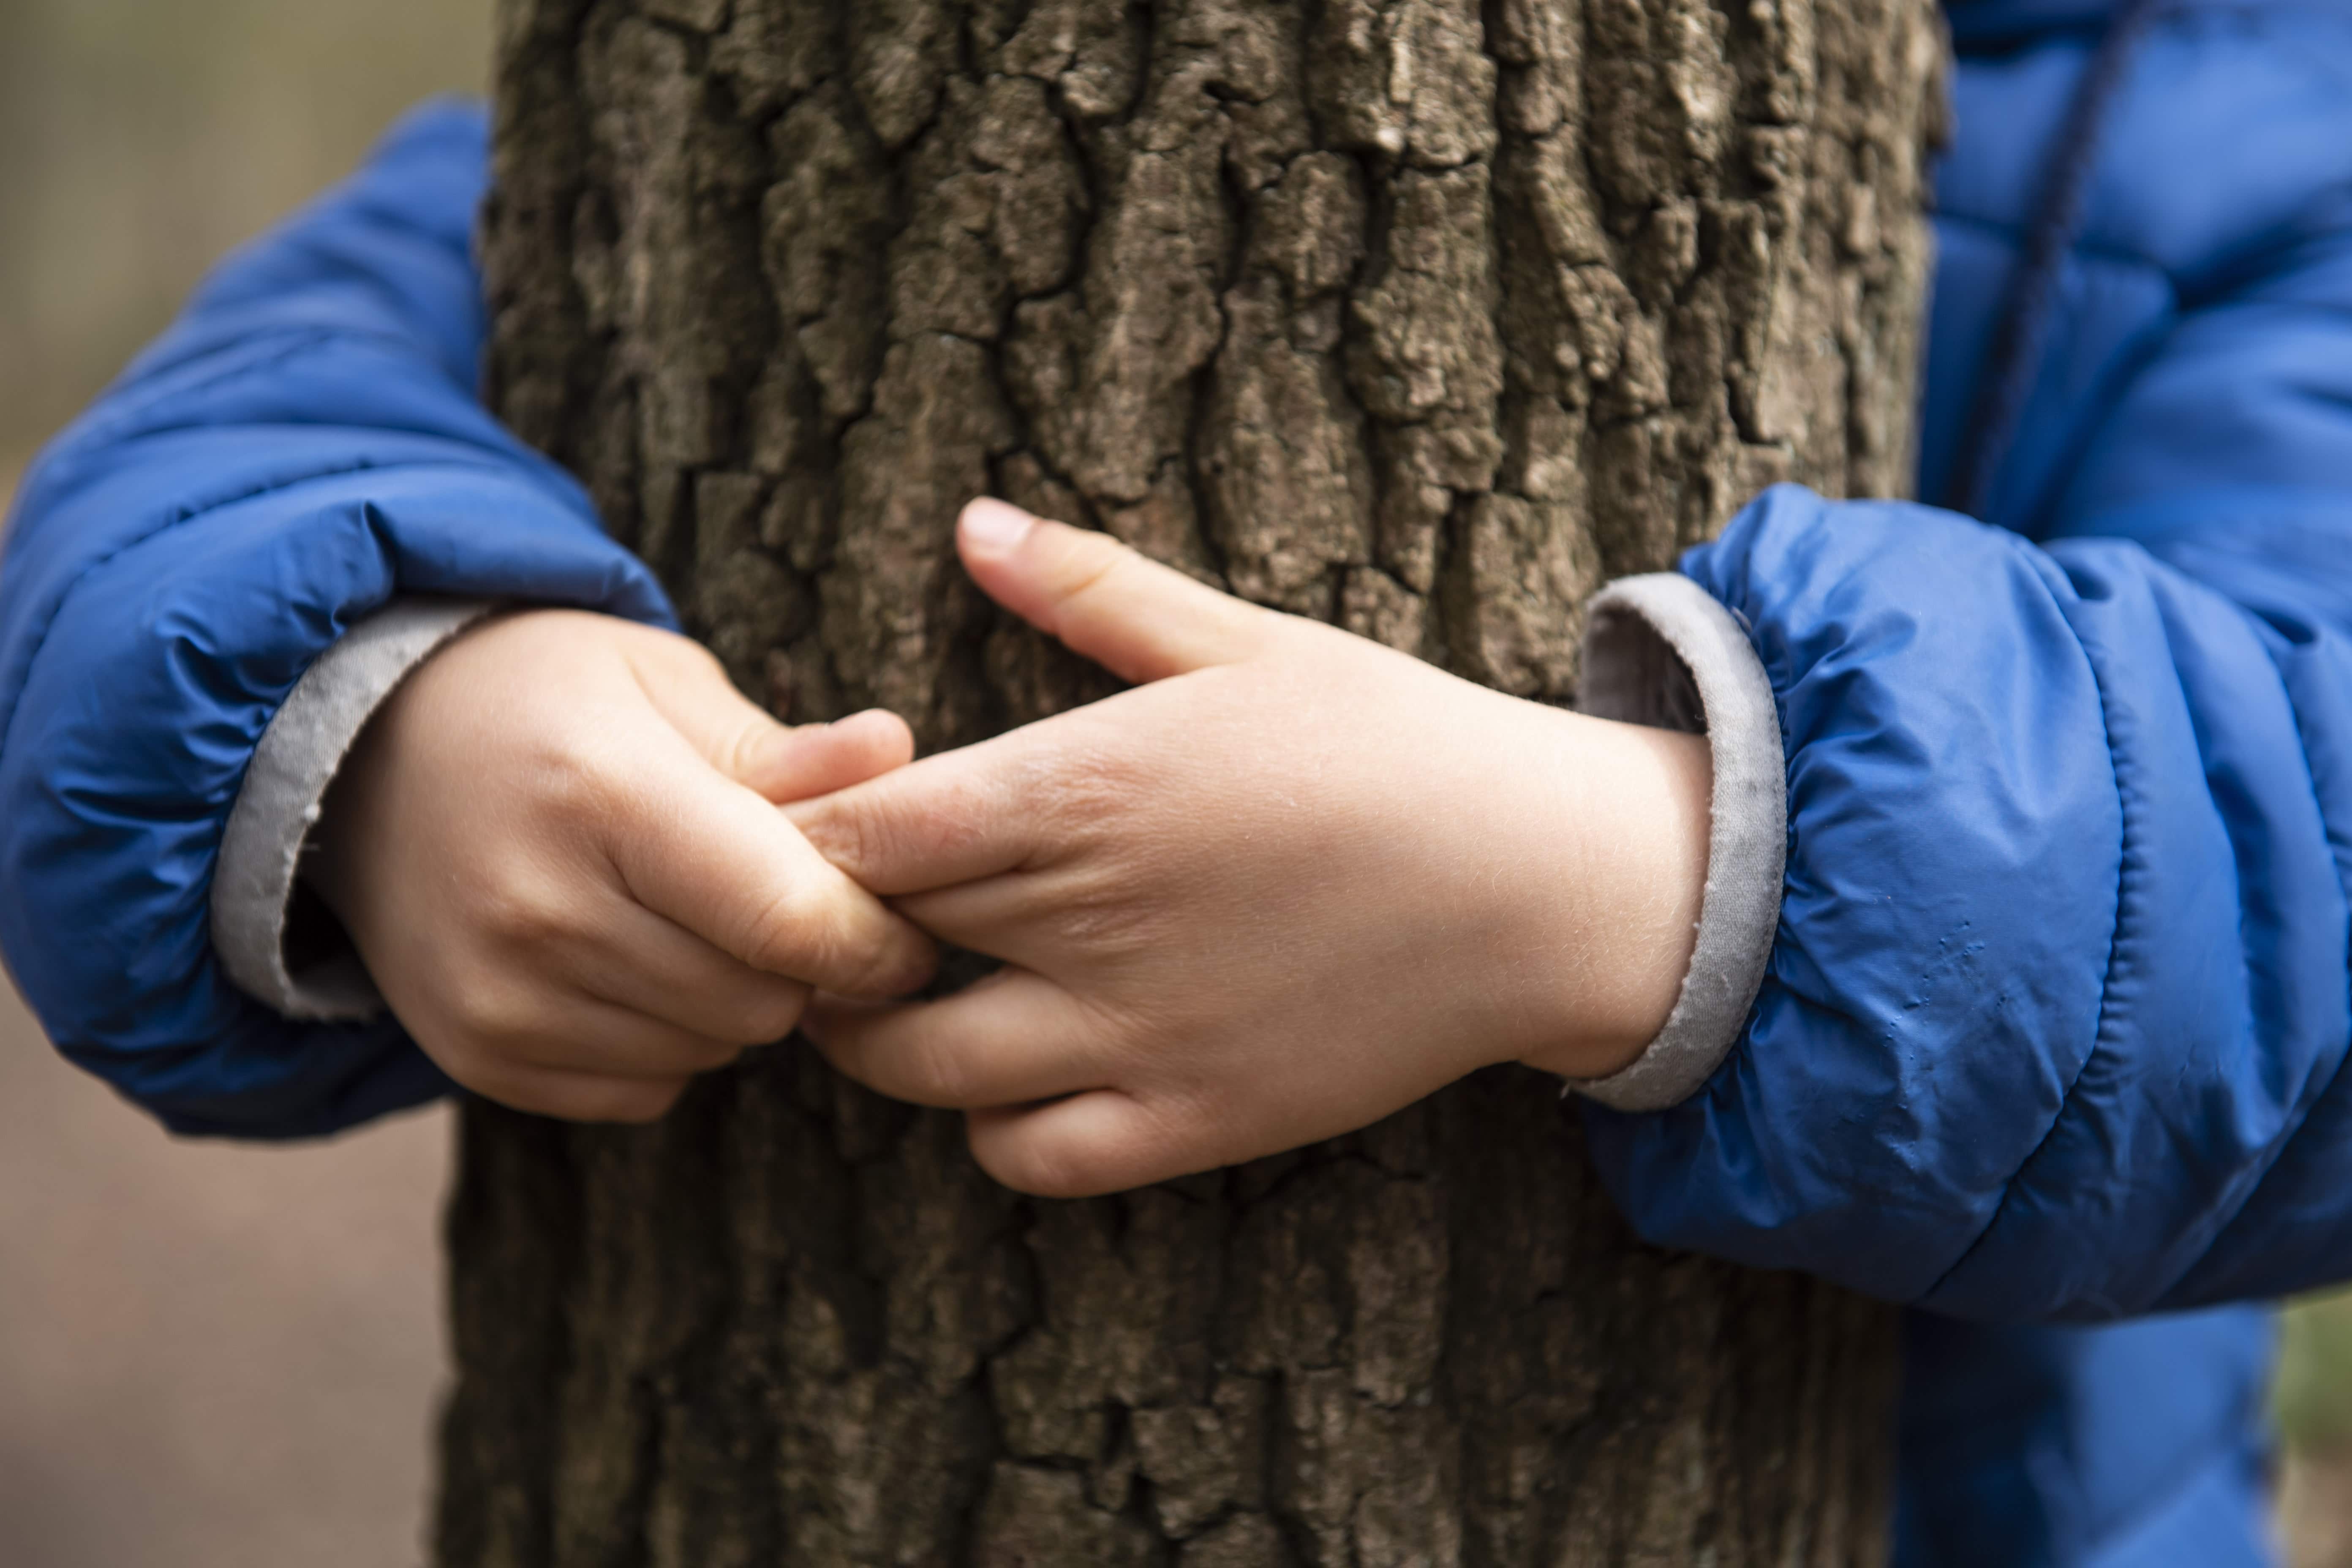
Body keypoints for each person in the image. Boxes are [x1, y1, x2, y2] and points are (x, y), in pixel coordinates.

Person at [3, 0, 2347, 1560]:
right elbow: (215, 457)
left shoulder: (2282, 131)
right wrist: (387, 710)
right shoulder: (710, 73)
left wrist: (1624, 868)